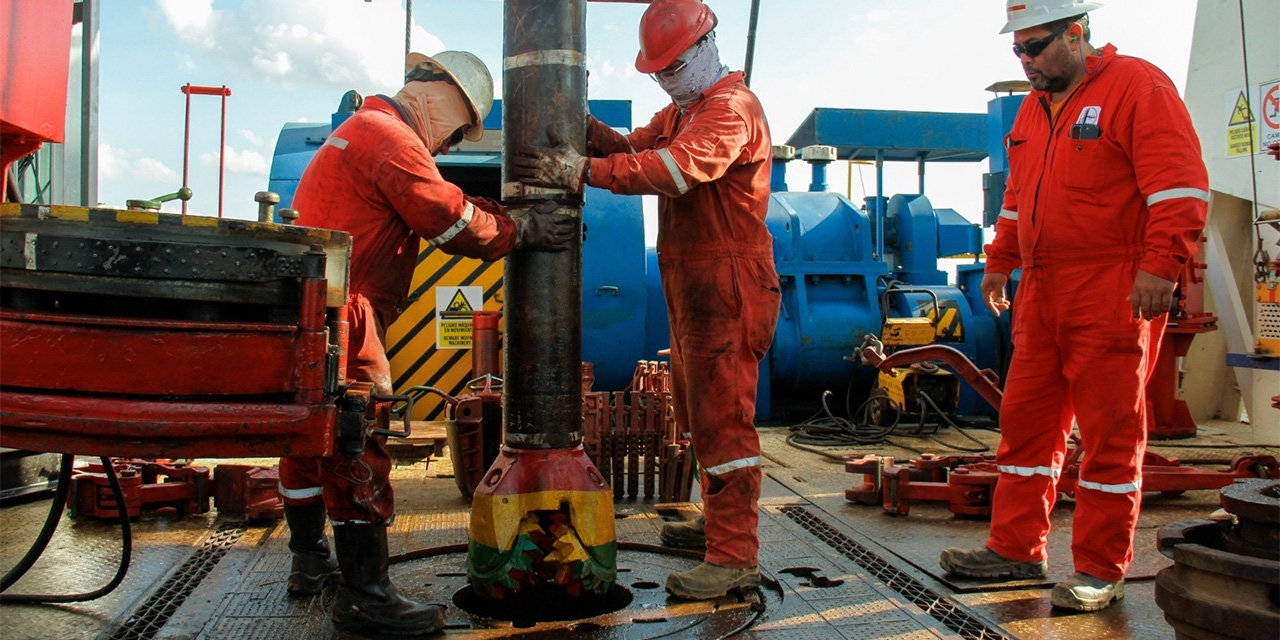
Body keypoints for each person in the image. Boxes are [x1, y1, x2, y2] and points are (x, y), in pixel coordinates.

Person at [279, 51, 575, 635]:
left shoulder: (358, 129)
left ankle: (309, 560)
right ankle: (365, 597)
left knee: (309, 439)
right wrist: (523, 229)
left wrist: (493, 209)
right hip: (349, 314)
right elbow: (449, 221)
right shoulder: (389, 136)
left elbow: (442, 199)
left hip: (318, 311)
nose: (450, 145)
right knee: (357, 441)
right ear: (441, 94)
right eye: (461, 129)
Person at [939, 0, 1209, 612]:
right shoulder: (1034, 112)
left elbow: (1180, 186)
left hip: (1112, 286)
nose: (1025, 62)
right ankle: (1015, 549)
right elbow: (1016, 197)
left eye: (1035, 48)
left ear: (1077, 33)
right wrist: (1001, 262)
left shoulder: (1138, 86)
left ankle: (1099, 568)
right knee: (1027, 426)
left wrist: (1159, 265)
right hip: (1041, 289)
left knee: (1111, 433)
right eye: (1017, 50)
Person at [513, 0, 779, 601]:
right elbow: (631, 145)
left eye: (674, 66)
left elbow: (676, 170)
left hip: (728, 285)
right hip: (694, 286)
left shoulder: (730, 112)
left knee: (723, 423)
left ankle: (735, 558)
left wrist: (582, 171)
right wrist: (575, 118)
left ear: (708, 47)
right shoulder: (683, 110)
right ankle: (719, 527)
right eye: (658, 72)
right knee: (697, 416)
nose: (667, 79)